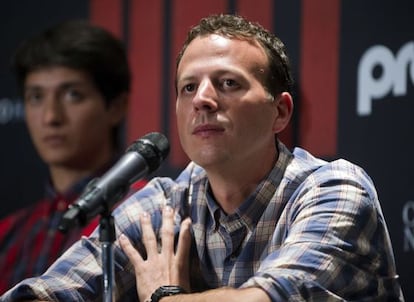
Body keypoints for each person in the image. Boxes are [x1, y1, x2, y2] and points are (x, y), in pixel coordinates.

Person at [1, 14, 404, 301]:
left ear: (280, 112)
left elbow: (270, 298)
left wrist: (165, 296)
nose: (203, 100)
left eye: (227, 83)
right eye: (188, 87)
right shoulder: (165, 203)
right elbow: (48, 293)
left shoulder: (333, 188)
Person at [0, 20, 146, 294]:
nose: (51, 117)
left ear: (117, 106)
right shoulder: (9, 233)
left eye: (72, 95)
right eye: (35, 97)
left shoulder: (149, 209)